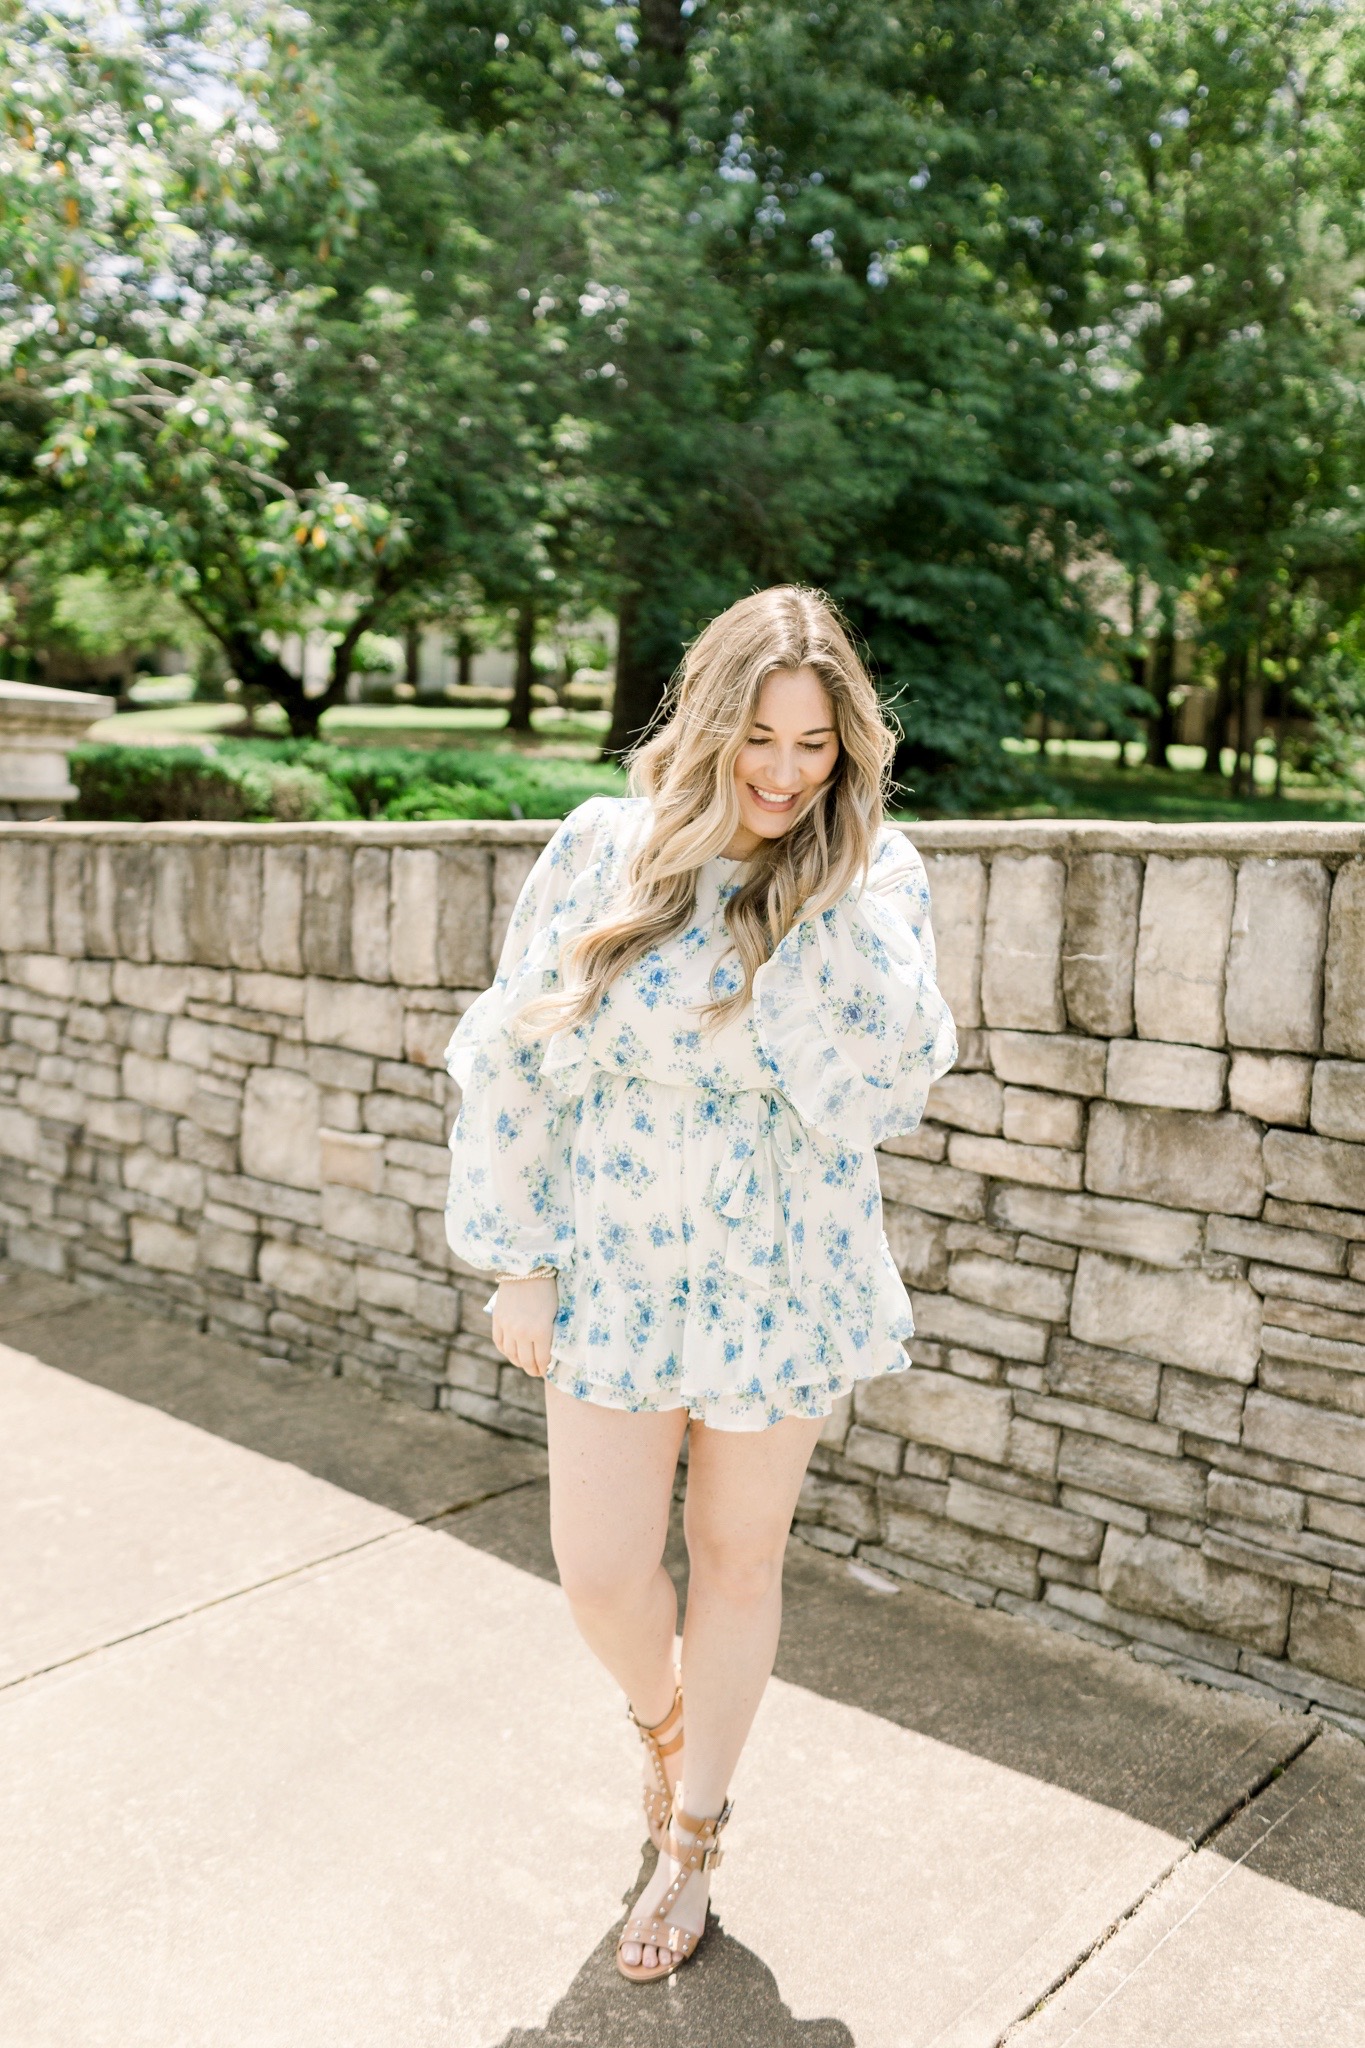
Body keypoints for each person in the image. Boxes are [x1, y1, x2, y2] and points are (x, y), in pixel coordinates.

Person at [444, 584, 956, 1984]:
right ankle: (669, 1737)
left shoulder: (873, 875)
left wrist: (825, 899)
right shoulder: (603, 848)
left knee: (735, 1559)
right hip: (610, 1266)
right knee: (602, 1571)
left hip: (781, 1272)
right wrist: (521, 1260)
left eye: (816, 747)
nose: (787, 774)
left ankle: (694, 1836)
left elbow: (889, 1086)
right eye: (760, 741)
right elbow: (509, 1057)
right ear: (707, 723)